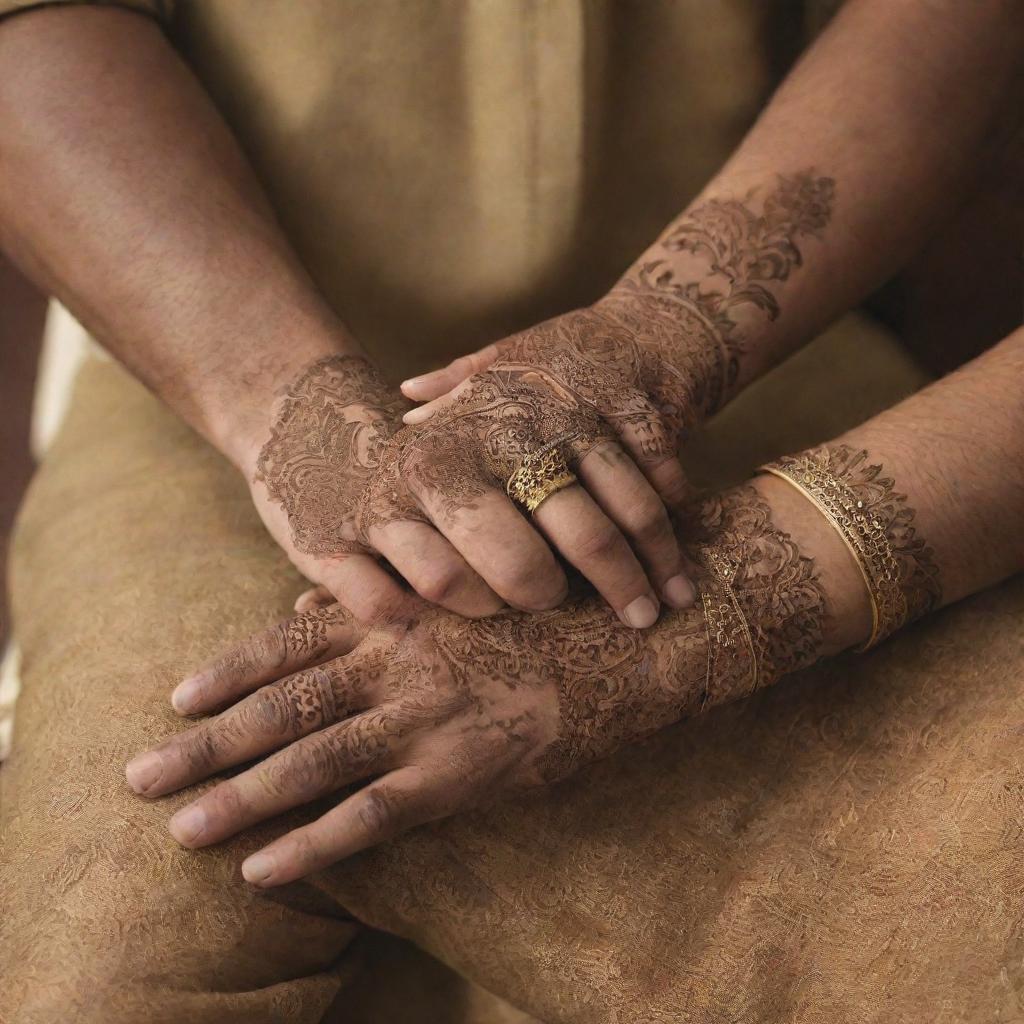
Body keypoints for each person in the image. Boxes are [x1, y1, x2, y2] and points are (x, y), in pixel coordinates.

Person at [0, 0, 1022, 1020]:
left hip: (783, 365)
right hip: (209, 342)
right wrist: (294, 415)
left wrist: (675, 361)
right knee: (124, 920)